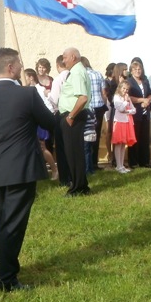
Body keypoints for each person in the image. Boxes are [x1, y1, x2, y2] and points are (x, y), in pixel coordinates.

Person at [0, 48, 55, 292]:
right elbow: (50, 123)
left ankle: (3, 269)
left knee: (3, 221)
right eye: (19, 64)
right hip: (21, 167)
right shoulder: (28, 94)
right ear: (10, 67)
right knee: (13, 224)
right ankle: (6, 278)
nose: (22, 67)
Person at [58, 47, 92, 196]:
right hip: (74, 115)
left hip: (74, 116)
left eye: (65, 57)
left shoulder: (77, 72)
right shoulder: (77, 71)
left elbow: (82, 97)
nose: (63, 60)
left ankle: (77, 188)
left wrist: (70, 116)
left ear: (73, 57)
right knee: (75, 153)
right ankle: (81, 185)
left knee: (73, 154)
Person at [24, 68, 58, 180]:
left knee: (42, 147)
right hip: (28, 122)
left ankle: (54, 170)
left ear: (31, 77)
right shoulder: (24, 90)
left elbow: (46, 106)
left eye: (25, 77)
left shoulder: (39, 90)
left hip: (37, 123)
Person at [82, 57, 107, 171]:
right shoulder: (98, 74)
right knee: (96, 136)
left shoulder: (82, 75)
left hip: (87, 107)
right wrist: (104, 104)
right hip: (99, 106)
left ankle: (87, 164)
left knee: (86, 135)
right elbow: (104, 92)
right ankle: (95, 163)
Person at [127, 60, 151, 168]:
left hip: (145, 113)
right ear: (131, 71)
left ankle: (144, 161)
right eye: (135, 69)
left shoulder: (145, 81)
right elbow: (129, 97)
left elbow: (150, 94)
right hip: (135, 113)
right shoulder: (129, 82)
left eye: (139, 69)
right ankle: (133, 162)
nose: (138, 71)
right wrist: (142, 100)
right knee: (134, 137)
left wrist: (147, 101)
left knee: (144, 138)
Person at [112, 80, 137, 173]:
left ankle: (122, 165)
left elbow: (134, 110)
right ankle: (118, 166)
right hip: (119, 122)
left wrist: (128, 111)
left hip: (127, 121)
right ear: (120, 88)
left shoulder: (127, 97)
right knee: (119, 144)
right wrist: (126, 102)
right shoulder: (117, 97)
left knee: (123, 144)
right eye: (124, 88)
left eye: (127, 89)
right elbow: (120, 108)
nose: (125, 91)